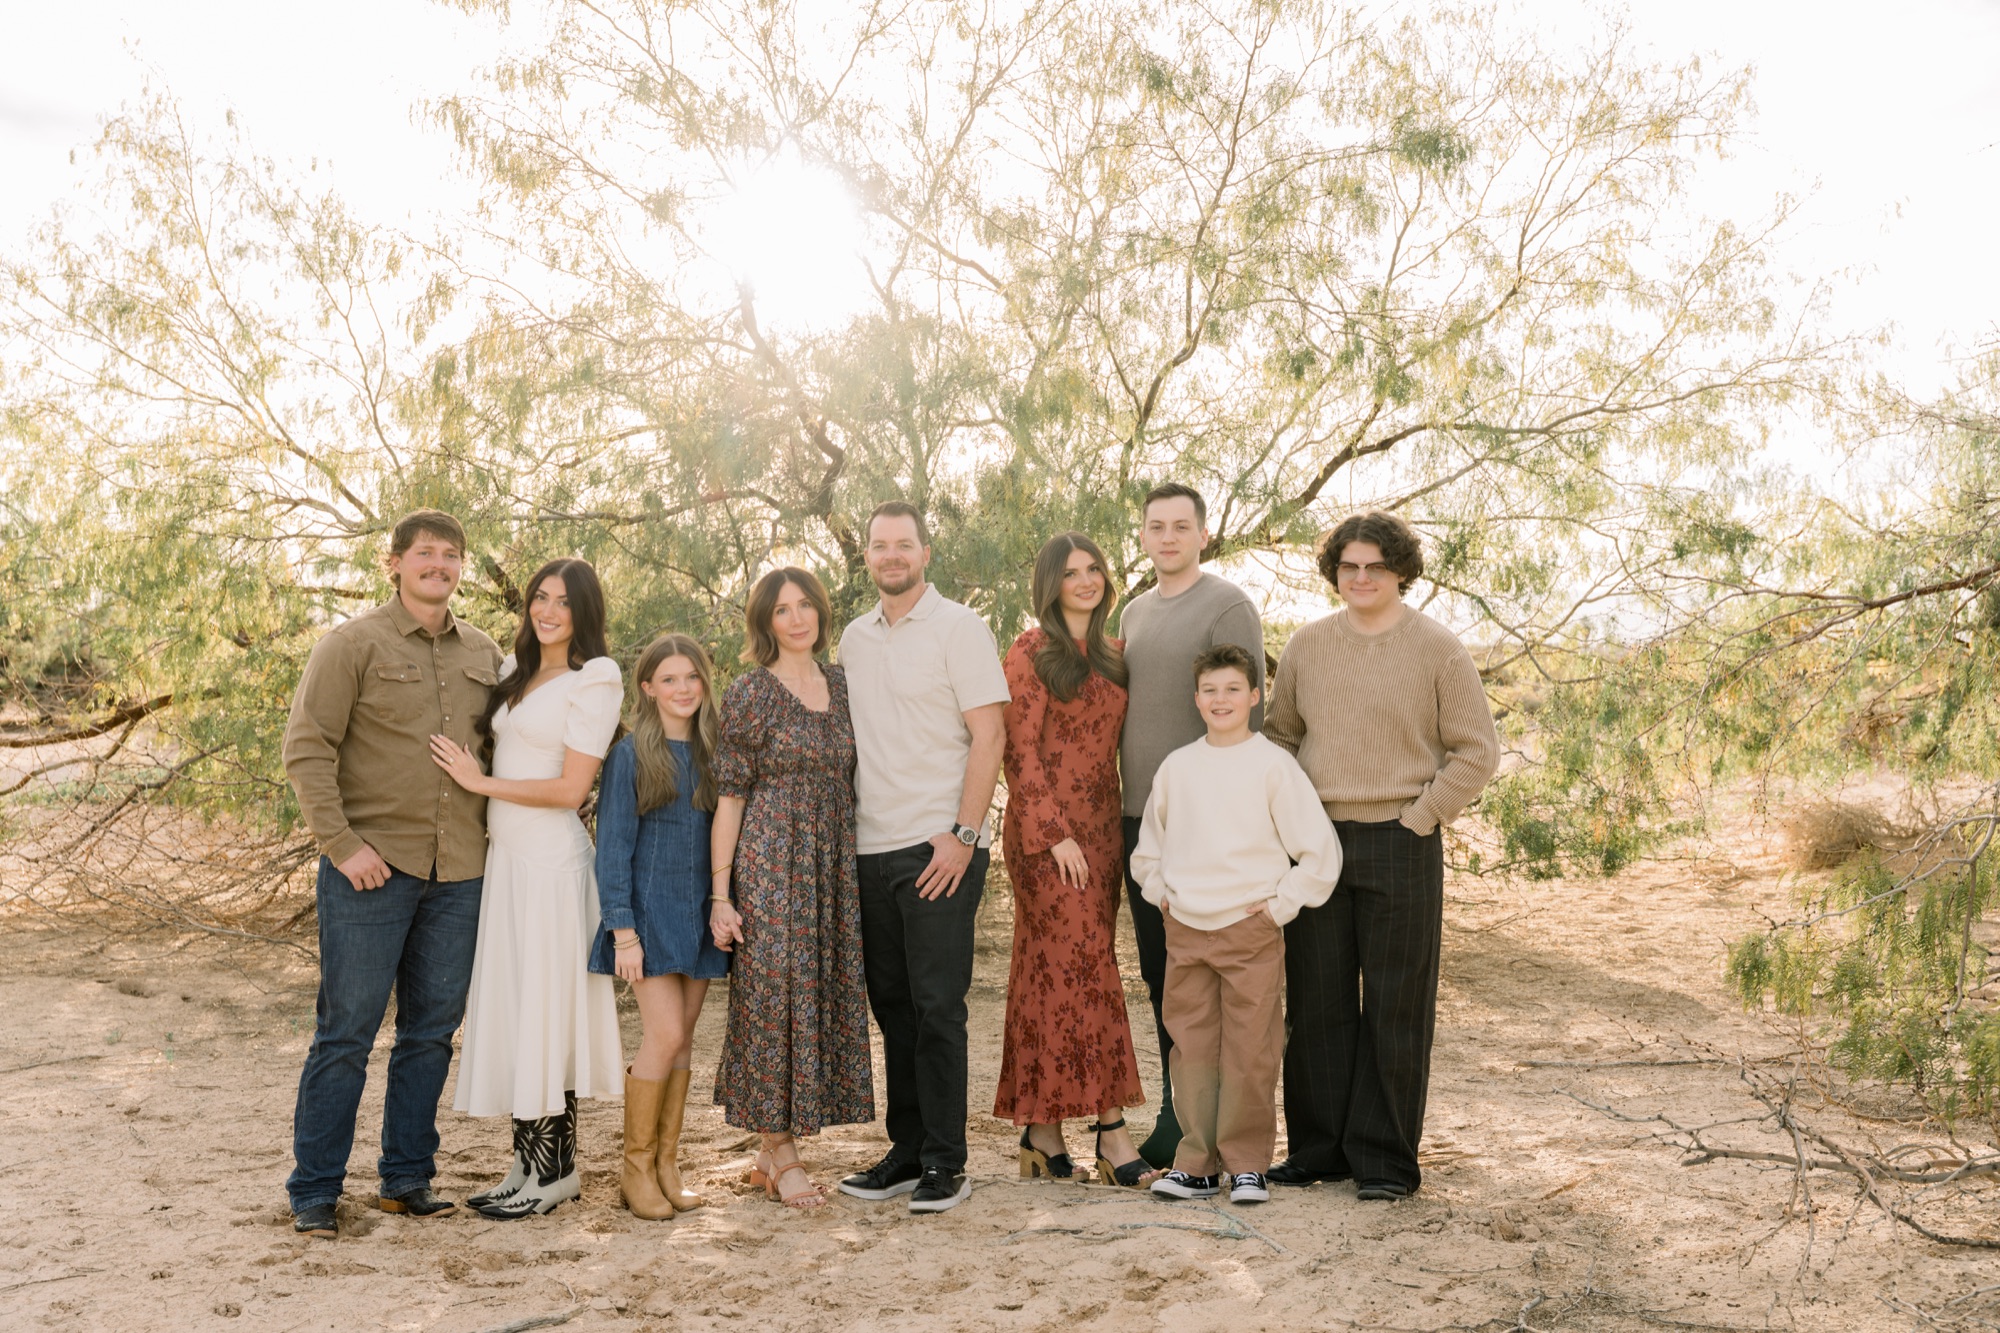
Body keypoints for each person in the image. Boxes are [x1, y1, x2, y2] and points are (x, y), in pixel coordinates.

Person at [1264, 511, 1500, 1200]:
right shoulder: (1307, 646)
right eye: (1348, 567)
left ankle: (1385, 1160)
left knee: (1396, 1005)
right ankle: (1319, 1150)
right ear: (1334, 572)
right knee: (1317, 1003)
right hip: (1316, 843)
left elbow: (1476, 751)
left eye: (1374, 566)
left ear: (1400, 569)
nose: (1361, 578)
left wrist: (1421, 816)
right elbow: (1279, 739)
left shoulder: (1437, 648)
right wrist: (1291, 820)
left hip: (1403, 839)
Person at [282, 509, 502, 1238]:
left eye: (450, 555)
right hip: (370, 871)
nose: (439, 564)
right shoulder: (351, 644)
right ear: (395, 563)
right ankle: (315, 1188)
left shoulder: (484, 651)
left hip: (461, 871)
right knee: (345, 1032)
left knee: (431, 1033)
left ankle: (406, 1177)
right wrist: (343, 845)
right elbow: (307, 749)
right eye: (425, 553)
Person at [430, 557, 625, 1219]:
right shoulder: (516, 672)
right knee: (520, 1007)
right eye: (540, 597)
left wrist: (479, 784)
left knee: (546, 1010)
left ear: (584, 613)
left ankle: (558, 1171)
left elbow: (573, 789)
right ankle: (526, 1163)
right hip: (508, 862)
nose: (547, 611)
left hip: (551, 866)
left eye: (563, 602)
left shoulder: (594, 679)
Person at [836, 501, 1009, 1214]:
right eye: (880, 546)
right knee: (895, 1008)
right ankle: (905, 1152)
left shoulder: (960, 627)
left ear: (925, 552)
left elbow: (990, 734)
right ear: (869, 557)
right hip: (870, 847)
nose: (892, 556)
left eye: (904, 544)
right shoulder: (852, 636)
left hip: (938, 845)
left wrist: (963, 835)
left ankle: (946, 1160)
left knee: (938, 1007)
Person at [1132, 643, 1341, 1205]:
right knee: (1193, 1050)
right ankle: (1197, 1165)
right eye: (1209, 690)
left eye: (1232, 689)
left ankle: (1248, 1166)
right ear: (1195, 698)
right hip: (1186, 931)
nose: (1219, 699)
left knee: (1251, 1048)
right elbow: (1148, 850)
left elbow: (1321, 853)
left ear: (1254, 696)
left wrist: (1279, 907)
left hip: (1250, 930)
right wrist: (1160, 893)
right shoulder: (1179, 766)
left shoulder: (1273, 765)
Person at [707, 568, 874, 1210]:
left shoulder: (841, 684)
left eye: (806, 605)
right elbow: (729, 798)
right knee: (771, 1002)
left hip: (831, 866)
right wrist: (721, 895)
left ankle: (765, 1154)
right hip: (771, 862)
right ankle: (784, 1153)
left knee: (813, 996)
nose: (797, 618)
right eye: (783, 610)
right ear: (765, 623)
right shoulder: (750, 691)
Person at [1116, 481, 1267, 1168]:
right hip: (1139, 820)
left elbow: (1246, 714)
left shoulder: (1227, 605)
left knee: (1220, 980)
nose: (1168, 536)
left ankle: (1227, 1134)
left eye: (1182, 525)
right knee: (1163, 973)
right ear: (1144, 536)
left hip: (1208, 825)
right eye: (1156, 525)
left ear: (1203, 534)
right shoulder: (1134, 612)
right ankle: (1179, 1118)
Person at [994, 533, 1148, 1188]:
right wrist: (1052, 833)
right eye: (1071, 572)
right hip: (1046, 837)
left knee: (1049, 976)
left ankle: (1042, 1132)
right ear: (1050, 584)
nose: (1085, 580)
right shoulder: (1030, 651)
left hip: (1102, 833)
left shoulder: (1115, 655)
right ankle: (1112, 1132)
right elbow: (1017, 749)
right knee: (1085, 969)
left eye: (1094, 569)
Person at [588, 633, 730, 1220]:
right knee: (665, 1034)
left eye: (691, 677)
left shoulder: (714, 749)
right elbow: (612, 847)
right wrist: (622, 929)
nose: (682, 689)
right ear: (647, 688)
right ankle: (635, 1168)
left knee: (685, 1036)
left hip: (699, 910)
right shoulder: (630, 754)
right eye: (668, 679)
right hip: (647, 914)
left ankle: (668, 1164)